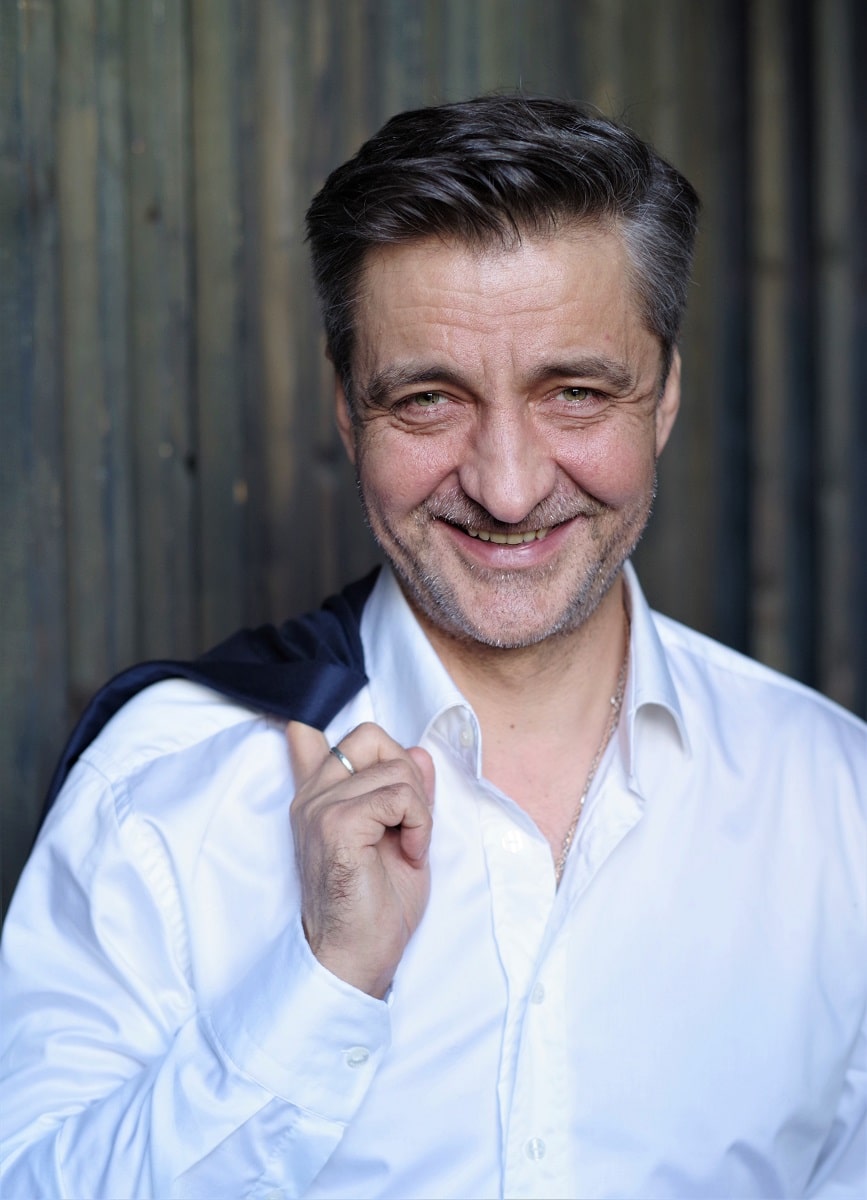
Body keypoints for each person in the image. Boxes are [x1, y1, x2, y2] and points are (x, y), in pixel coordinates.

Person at [1, 95, 864, 1200]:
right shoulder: (159, 796)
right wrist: (319, 985)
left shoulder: (837, 799)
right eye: (427, 400)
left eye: (576, 393)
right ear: (348, 413)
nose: (506, 487)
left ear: (664, 398)